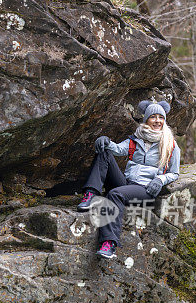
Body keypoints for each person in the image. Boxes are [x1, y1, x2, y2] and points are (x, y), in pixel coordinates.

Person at [77, 100, 181, 259]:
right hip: (127, 183)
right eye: (153, 117)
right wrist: (105, 141)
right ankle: (90, 194)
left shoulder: (171, 145)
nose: (158, 121)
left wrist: (160, 180)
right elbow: (117, 149)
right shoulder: (136, 139)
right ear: (146, 119)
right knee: (104, 153)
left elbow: (174, 173)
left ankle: (109, 243)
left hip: (145, 189)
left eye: (161, 117)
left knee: (115, 194)